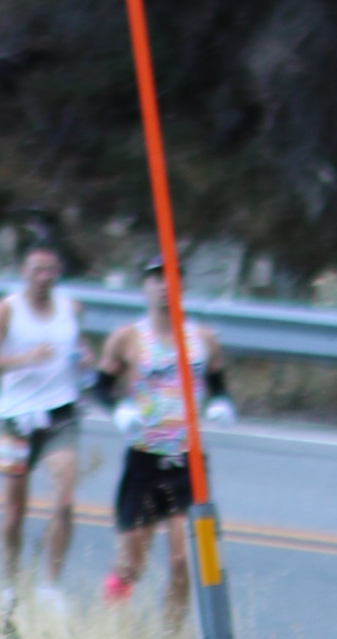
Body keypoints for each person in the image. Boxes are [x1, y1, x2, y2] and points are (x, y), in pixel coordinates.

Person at [96, 259, 234, 620]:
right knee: (131, 563)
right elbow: (100, 386)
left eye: (171, 278)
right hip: (144, 457)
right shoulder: (128, 338)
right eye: (156, 279)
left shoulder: (203, 339)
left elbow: (218, 382)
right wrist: (118, 409)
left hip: (188, 460)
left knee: (185, 559)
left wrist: (221, 402)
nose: (164, 286)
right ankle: (110, 625)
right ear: (146, 286)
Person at [0, 239, 87, 606]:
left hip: (60, 414)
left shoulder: (71, 309)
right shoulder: (7, 311)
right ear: (24, 272)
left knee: (64, 500)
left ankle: (50, 587)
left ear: (59, 273)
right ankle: (9, 582)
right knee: (14, 509)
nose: (43, 277)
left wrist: (84, 359)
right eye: (37, 269)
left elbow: (76, 349)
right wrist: (24, 359)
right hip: (16, 417)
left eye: (50, 270)